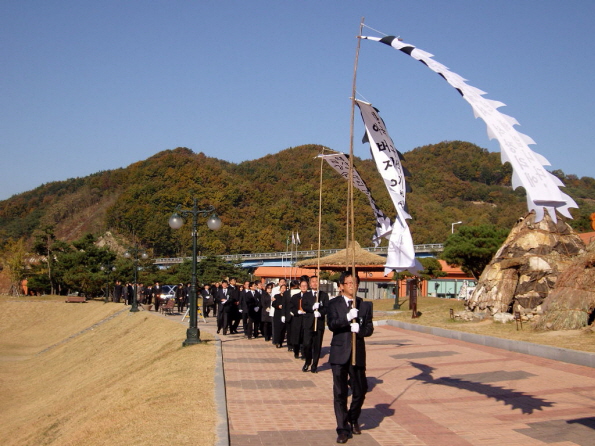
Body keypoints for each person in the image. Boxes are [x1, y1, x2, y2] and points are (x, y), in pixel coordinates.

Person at [327, 270, 374, 444]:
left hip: (357, 353)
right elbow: (332, 324)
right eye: (349, 283)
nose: (352, 286)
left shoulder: (364, 305)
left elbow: (369, 328)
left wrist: (359, 330)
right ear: (341, 286)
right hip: (339, 353)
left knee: (360, 390)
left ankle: (353, 418)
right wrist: (347, 318)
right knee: (339, 393)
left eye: (355, 283)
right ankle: (342, 429)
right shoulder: (333, 304)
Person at [302, 275, 329, 373]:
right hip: (309, 323)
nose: (315, 283)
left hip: (319, 324)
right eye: (313, 281)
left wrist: (320, 312)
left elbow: (327, 308)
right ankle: (307, 361)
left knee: (317, 346)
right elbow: (304, 306)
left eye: (316, 281)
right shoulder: (306, 295)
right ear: (310, 283)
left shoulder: (324, 295)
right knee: (307, 344)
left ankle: (315, 365)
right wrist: (312, 308)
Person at [271, 283, 288, 348]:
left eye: (284, 288)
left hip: (284, 314)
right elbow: (273, 304)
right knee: (277, 329)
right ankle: (277, 341)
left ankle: (281, 341)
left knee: (283, 329)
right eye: (282, 288)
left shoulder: (287, 296)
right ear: (280, 289)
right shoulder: (276, 296)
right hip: (277, 314)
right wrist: (278, 306)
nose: (283, 290)